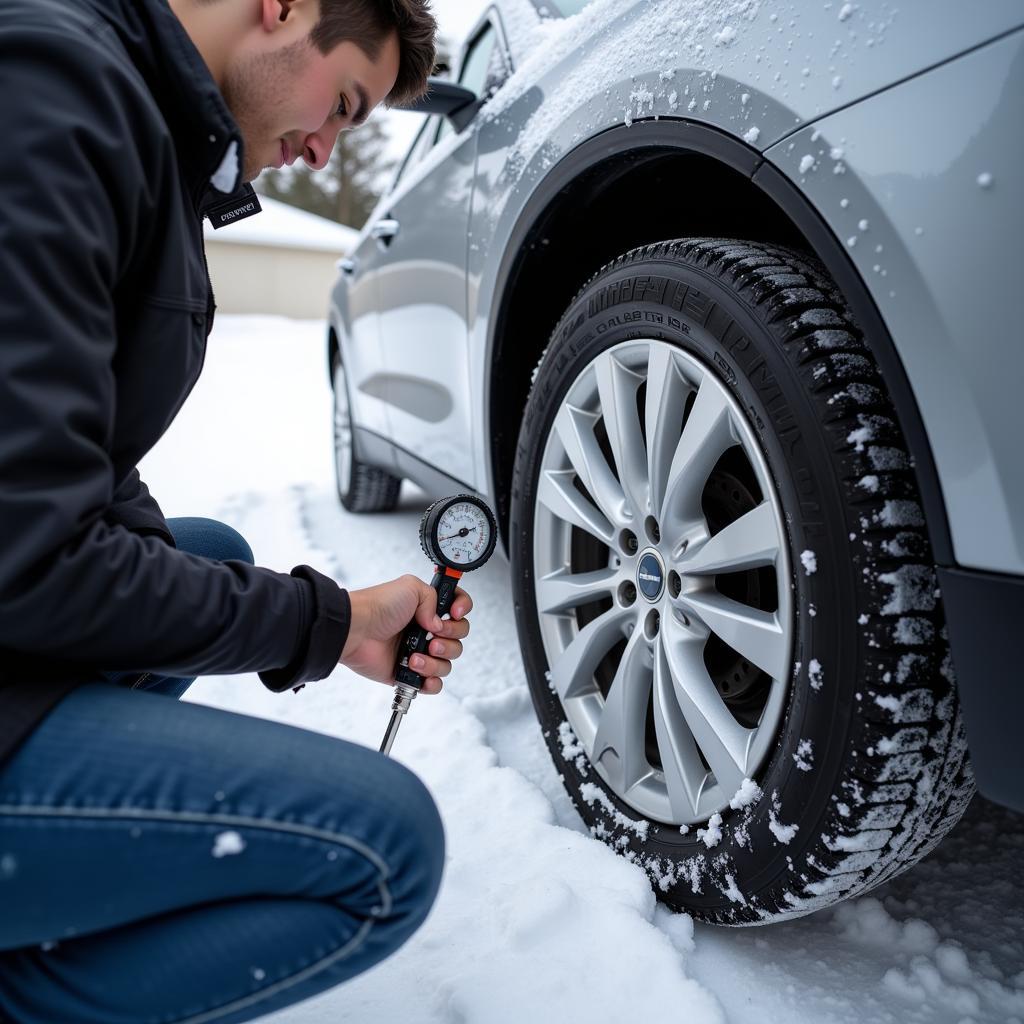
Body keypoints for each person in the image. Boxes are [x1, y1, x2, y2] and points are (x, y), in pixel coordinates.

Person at [0, 1, 468, 1020]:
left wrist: (330, 621)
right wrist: (321, 623)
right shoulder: (51, 97)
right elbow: (31, 554)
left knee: (208, 549)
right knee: (383, 846)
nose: (324, 146)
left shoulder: (137, 125)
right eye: (343, 104)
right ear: (283, 6)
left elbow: (87, 480)